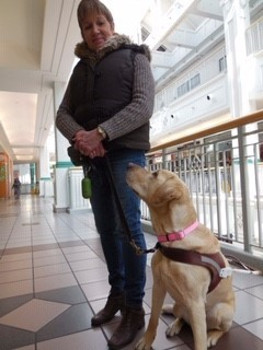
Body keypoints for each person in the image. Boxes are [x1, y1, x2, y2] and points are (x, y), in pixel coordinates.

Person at [56, 0, 155, 348]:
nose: (95, 31)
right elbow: (61, 115)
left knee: (127, 227)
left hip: (125, 154)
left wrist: (102, 133)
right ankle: (116, 295)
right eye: (87, 27)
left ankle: (134, 309)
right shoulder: (80, 69)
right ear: (82, 33)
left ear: (111, 24)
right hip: (94, 160)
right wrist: (82, 138)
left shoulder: (135, 57)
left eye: (100, 23)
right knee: (105, 228)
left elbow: (143, 105)